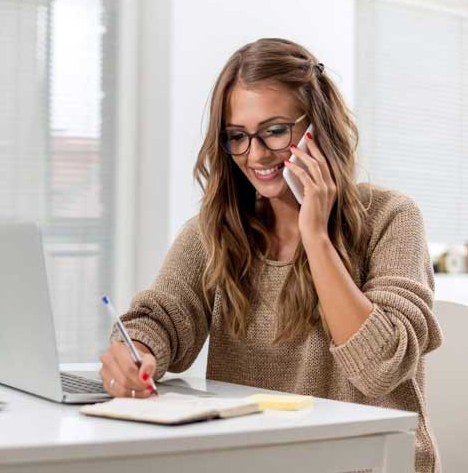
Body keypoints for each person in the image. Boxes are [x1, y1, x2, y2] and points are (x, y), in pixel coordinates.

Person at [98, 38, 442, 473]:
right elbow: (161, 317)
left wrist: (314, 235)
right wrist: (137, 352)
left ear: (319, 125)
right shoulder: (218, 231)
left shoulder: (391, 217)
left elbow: (379, 367)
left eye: (275, 130)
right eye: (237, 137)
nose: (255, 154)